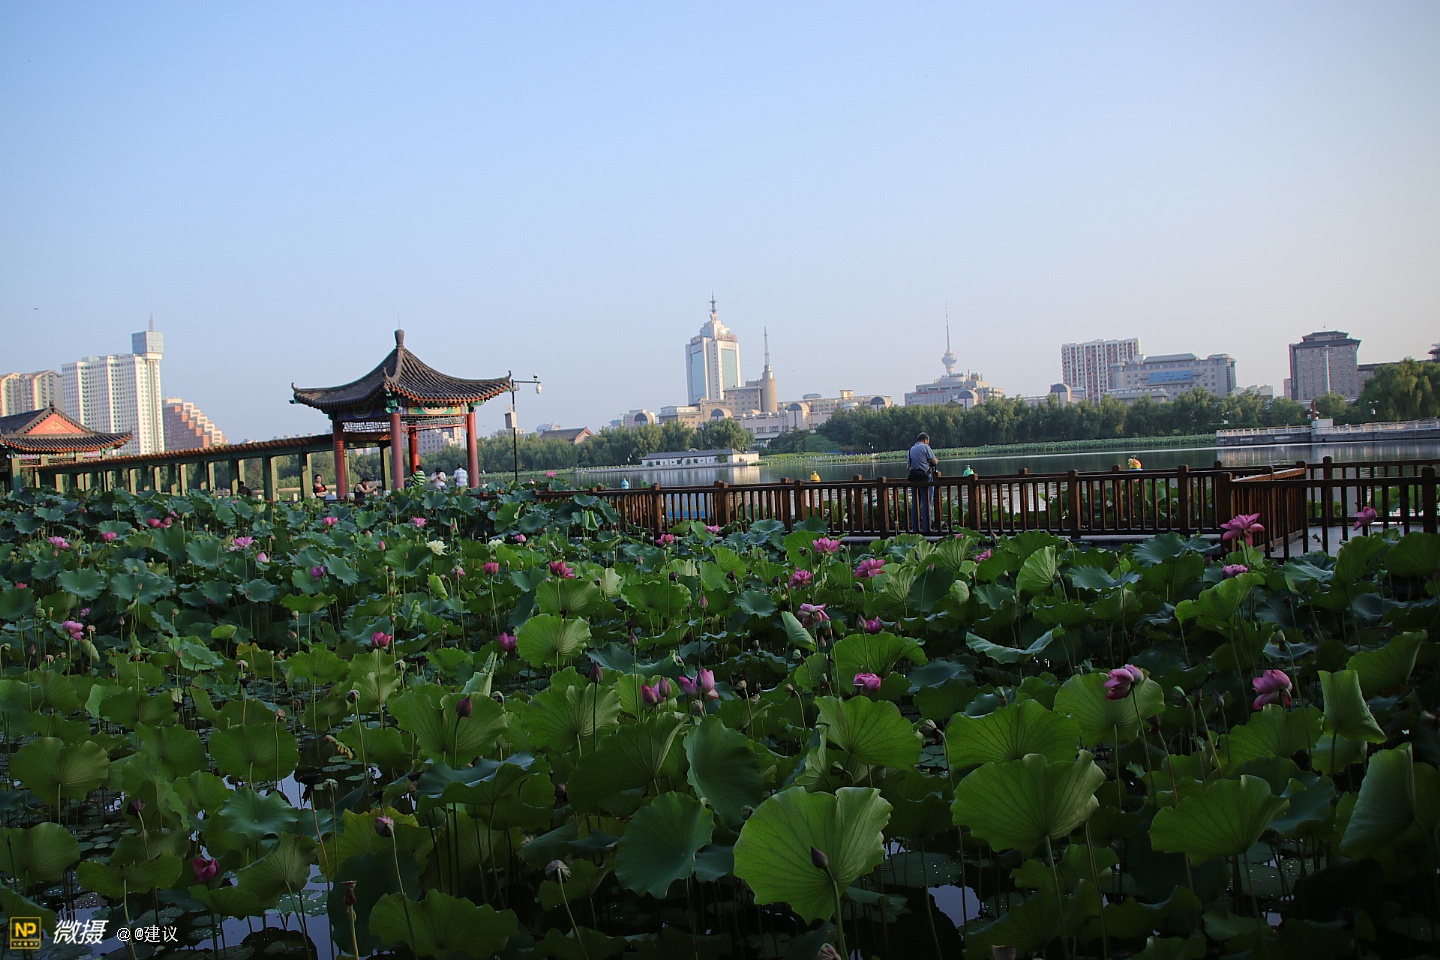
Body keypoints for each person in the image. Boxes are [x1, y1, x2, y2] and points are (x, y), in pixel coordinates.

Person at [907, 432, 939, 533]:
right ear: (925, 440)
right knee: (927, 503)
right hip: (925, 479)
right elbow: (934, 461)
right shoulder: (925, 447)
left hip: (914, 479)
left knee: (915, 504)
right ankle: (926, 528)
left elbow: (908, 466)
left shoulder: (911, 449)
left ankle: (915, 528)